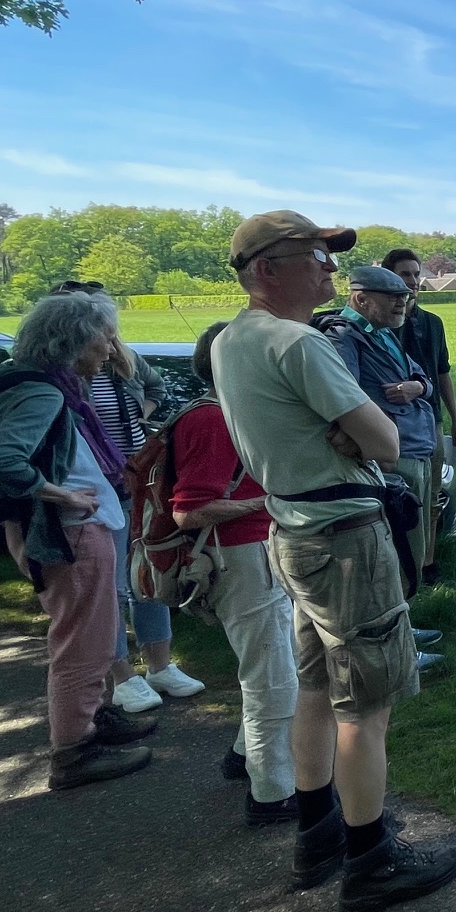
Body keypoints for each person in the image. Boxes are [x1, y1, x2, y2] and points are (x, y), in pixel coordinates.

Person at [214, 210, 456, 912]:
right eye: (315, 256)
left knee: (317, 686)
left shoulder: (232, 341)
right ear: (267, 269)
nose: (331, 268)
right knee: (367, 704)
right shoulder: (300, 344)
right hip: (345, 540)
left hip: (290, 530)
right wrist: (357, 434)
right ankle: (370, 858)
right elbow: (386, 440)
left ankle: (318, 829)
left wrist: (346, 431)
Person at [0, 290, 154, 789]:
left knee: (95, 633)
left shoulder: (39, 384)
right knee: (82, 644)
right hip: (71, 534)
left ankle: (95, 717)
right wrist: (62, 495)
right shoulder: (44, 394)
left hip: (69, 530)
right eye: (105, 339)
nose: (111, 350)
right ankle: (74, 751)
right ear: (73, 341)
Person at [172, 322, 299, 826]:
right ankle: (273, 792)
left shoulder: (218, 411)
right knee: (272, 677)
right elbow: (189, 510)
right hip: (241, 557)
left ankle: (244, 755)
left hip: (248, 553)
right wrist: (269, 501)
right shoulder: (214, 419)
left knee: (272, 663)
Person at [322, 265, 444, 666]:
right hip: (391, 459)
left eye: (405, 297)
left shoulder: (383, 334)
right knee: (394, 554)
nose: (402, 304)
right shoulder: (344, 338)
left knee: (411, 550)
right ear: (361, 299)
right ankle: (397, 648)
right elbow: (344, 400)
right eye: (393, 298)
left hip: (415, 450)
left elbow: (423, 376)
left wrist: (416, 387)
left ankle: (403, 626)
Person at [86, 336, 208, 711]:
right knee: (111, 585)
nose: (109, 341)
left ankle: (160, 667)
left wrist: (144, 410)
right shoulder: (67, 373)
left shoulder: (127, 359)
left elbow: (157, 387)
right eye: (100, 331)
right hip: (96, 487)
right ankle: (122, 676)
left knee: (148, 573)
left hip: (138, 480)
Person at [384, 248, 456, 584]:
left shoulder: (433, 323)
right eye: (405, 274)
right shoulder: (380, 325)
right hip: (390, 422)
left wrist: (455, 418)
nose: (414, 281)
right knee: (395, 493)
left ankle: (426, 562)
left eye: (416, 274)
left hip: (431, 419)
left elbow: (442, 371)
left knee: (432, 493)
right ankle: (394, 563)